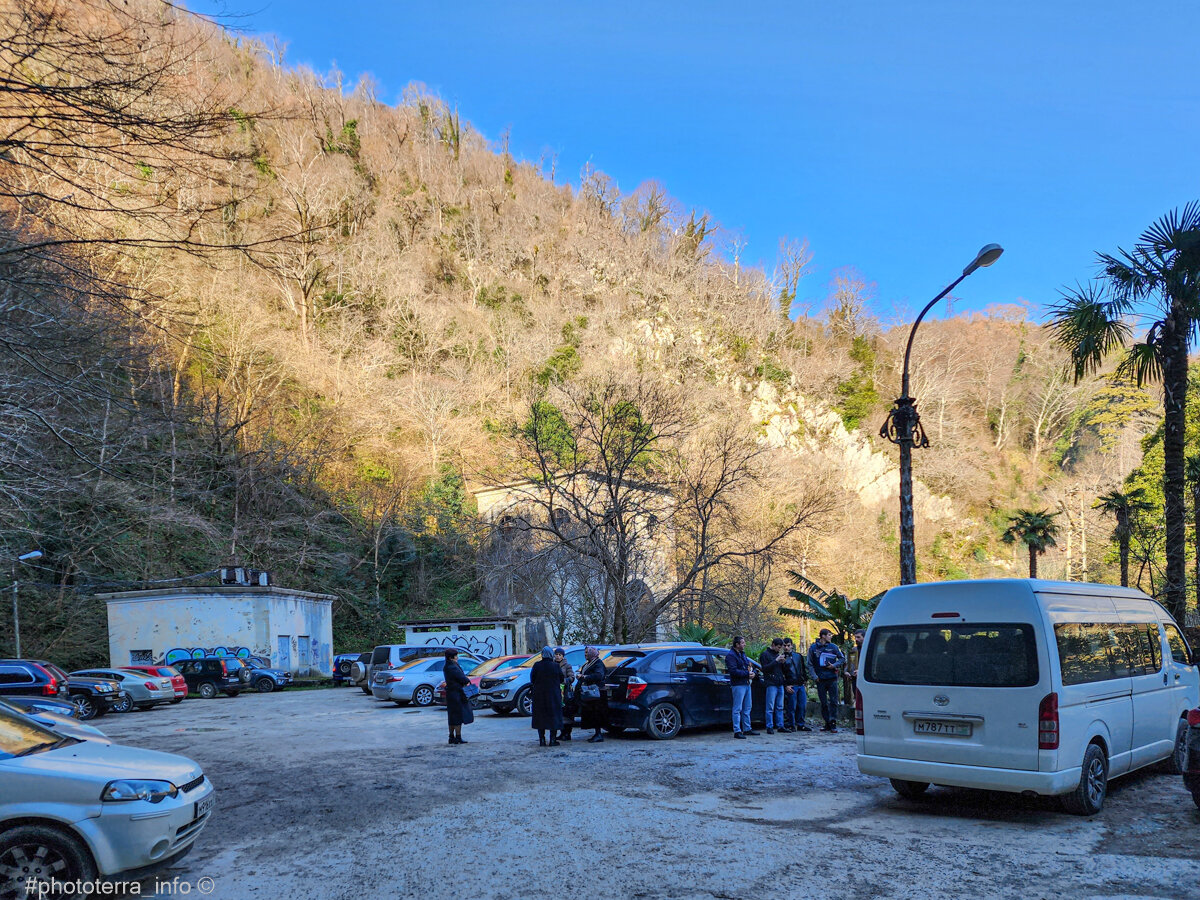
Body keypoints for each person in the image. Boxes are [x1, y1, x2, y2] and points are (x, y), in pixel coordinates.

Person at [808, 628, 846, 732]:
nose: (830, 637)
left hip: (832, 678)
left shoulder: (833, 647)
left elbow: (842, 659)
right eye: (829, 635)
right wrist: (815, 677)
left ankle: (833, 722)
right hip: (820, 679)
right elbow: (810, 664)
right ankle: (827, 723)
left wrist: (834, 665)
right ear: (823, 636)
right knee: (823, 702)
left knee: (833, 701)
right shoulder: (813, 648)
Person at [529, 646, 564, 746]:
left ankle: (542, 740)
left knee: (541, 717)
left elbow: (532, 679)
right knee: (553, 717)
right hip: (553, 696)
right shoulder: (555, 666)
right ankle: (552, 740)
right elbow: (561, 678)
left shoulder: (537, 665)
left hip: (539, 696)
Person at [726, 636, 757, 738]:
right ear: (737, 645)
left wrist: (752, 673)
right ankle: (737, 730)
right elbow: (733, 671)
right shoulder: (731, 656)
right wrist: (747, 674)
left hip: (746, 683)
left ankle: (747, 728)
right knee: (737, 708)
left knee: (747, 707)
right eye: (743, 643)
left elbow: (747, 666)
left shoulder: (742, 654)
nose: (745, 644)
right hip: (738, 684)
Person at [577, 646, 608, 742]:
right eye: (585, 652)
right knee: (592, 713)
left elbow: (598, 675)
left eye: (587, 652)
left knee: (597, 713)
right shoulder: (589, 663)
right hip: (590, 692)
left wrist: (584, 677)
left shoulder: (598, 664)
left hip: (597, 693)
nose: (585, 654)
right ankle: (597, 733)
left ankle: (598, 734)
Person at [443, 648, 473, 745]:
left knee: (451, 716)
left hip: (450, 693)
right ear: (452, 657)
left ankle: (451, 737)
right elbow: (462, 678)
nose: (457, 657)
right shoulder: (453, 667)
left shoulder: (446, 666)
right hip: (456, 693)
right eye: (456, 655)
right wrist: (467, 680)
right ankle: (458, 737)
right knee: (457, 715)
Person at [782, 638, 811, 732]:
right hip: (791, 685)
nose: (786, 647)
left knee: (802, 705)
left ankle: (800, 724)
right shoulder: (781, 658)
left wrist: (805, 680)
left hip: (800, 684)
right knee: (791, 706)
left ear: (792, 645)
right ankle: (791, 724)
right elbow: (781, 674)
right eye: (785, 645)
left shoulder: (798, 656)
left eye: (788, 645)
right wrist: (786, 685)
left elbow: (802, 668)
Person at [758, 638, 786, 734]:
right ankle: (769, 726)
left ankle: (780, 725)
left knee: (780, 706)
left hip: (779, 682)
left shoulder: (777, 655)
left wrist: (782, 663)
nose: (779, 649)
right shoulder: (765, 655)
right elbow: (764, 669)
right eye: (778, 647)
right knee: (770, 706)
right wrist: (776, 661)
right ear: (773, 645)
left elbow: (781, 669)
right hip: (771, 683)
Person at [554, 647, 576, 741]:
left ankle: (567, 733)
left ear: (563, 656)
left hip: (565, 692)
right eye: (557, 654)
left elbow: (572, 677)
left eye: (560, 655)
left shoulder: (567, 666)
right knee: (559, 714)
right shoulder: (553, 664)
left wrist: (564, 681)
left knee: (567, 713)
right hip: (556, 691)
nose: (558, 656)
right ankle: (562, 732)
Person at [844, 628, 866, 706]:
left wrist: (861, 671)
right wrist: (846, 671)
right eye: (855, 637)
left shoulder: (868, 649)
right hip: (854, 679)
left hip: (866, 679)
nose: (856, 639)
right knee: (857, 699)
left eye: (858, 637)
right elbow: (850, 663)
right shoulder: (854, 649)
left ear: (864, 637)